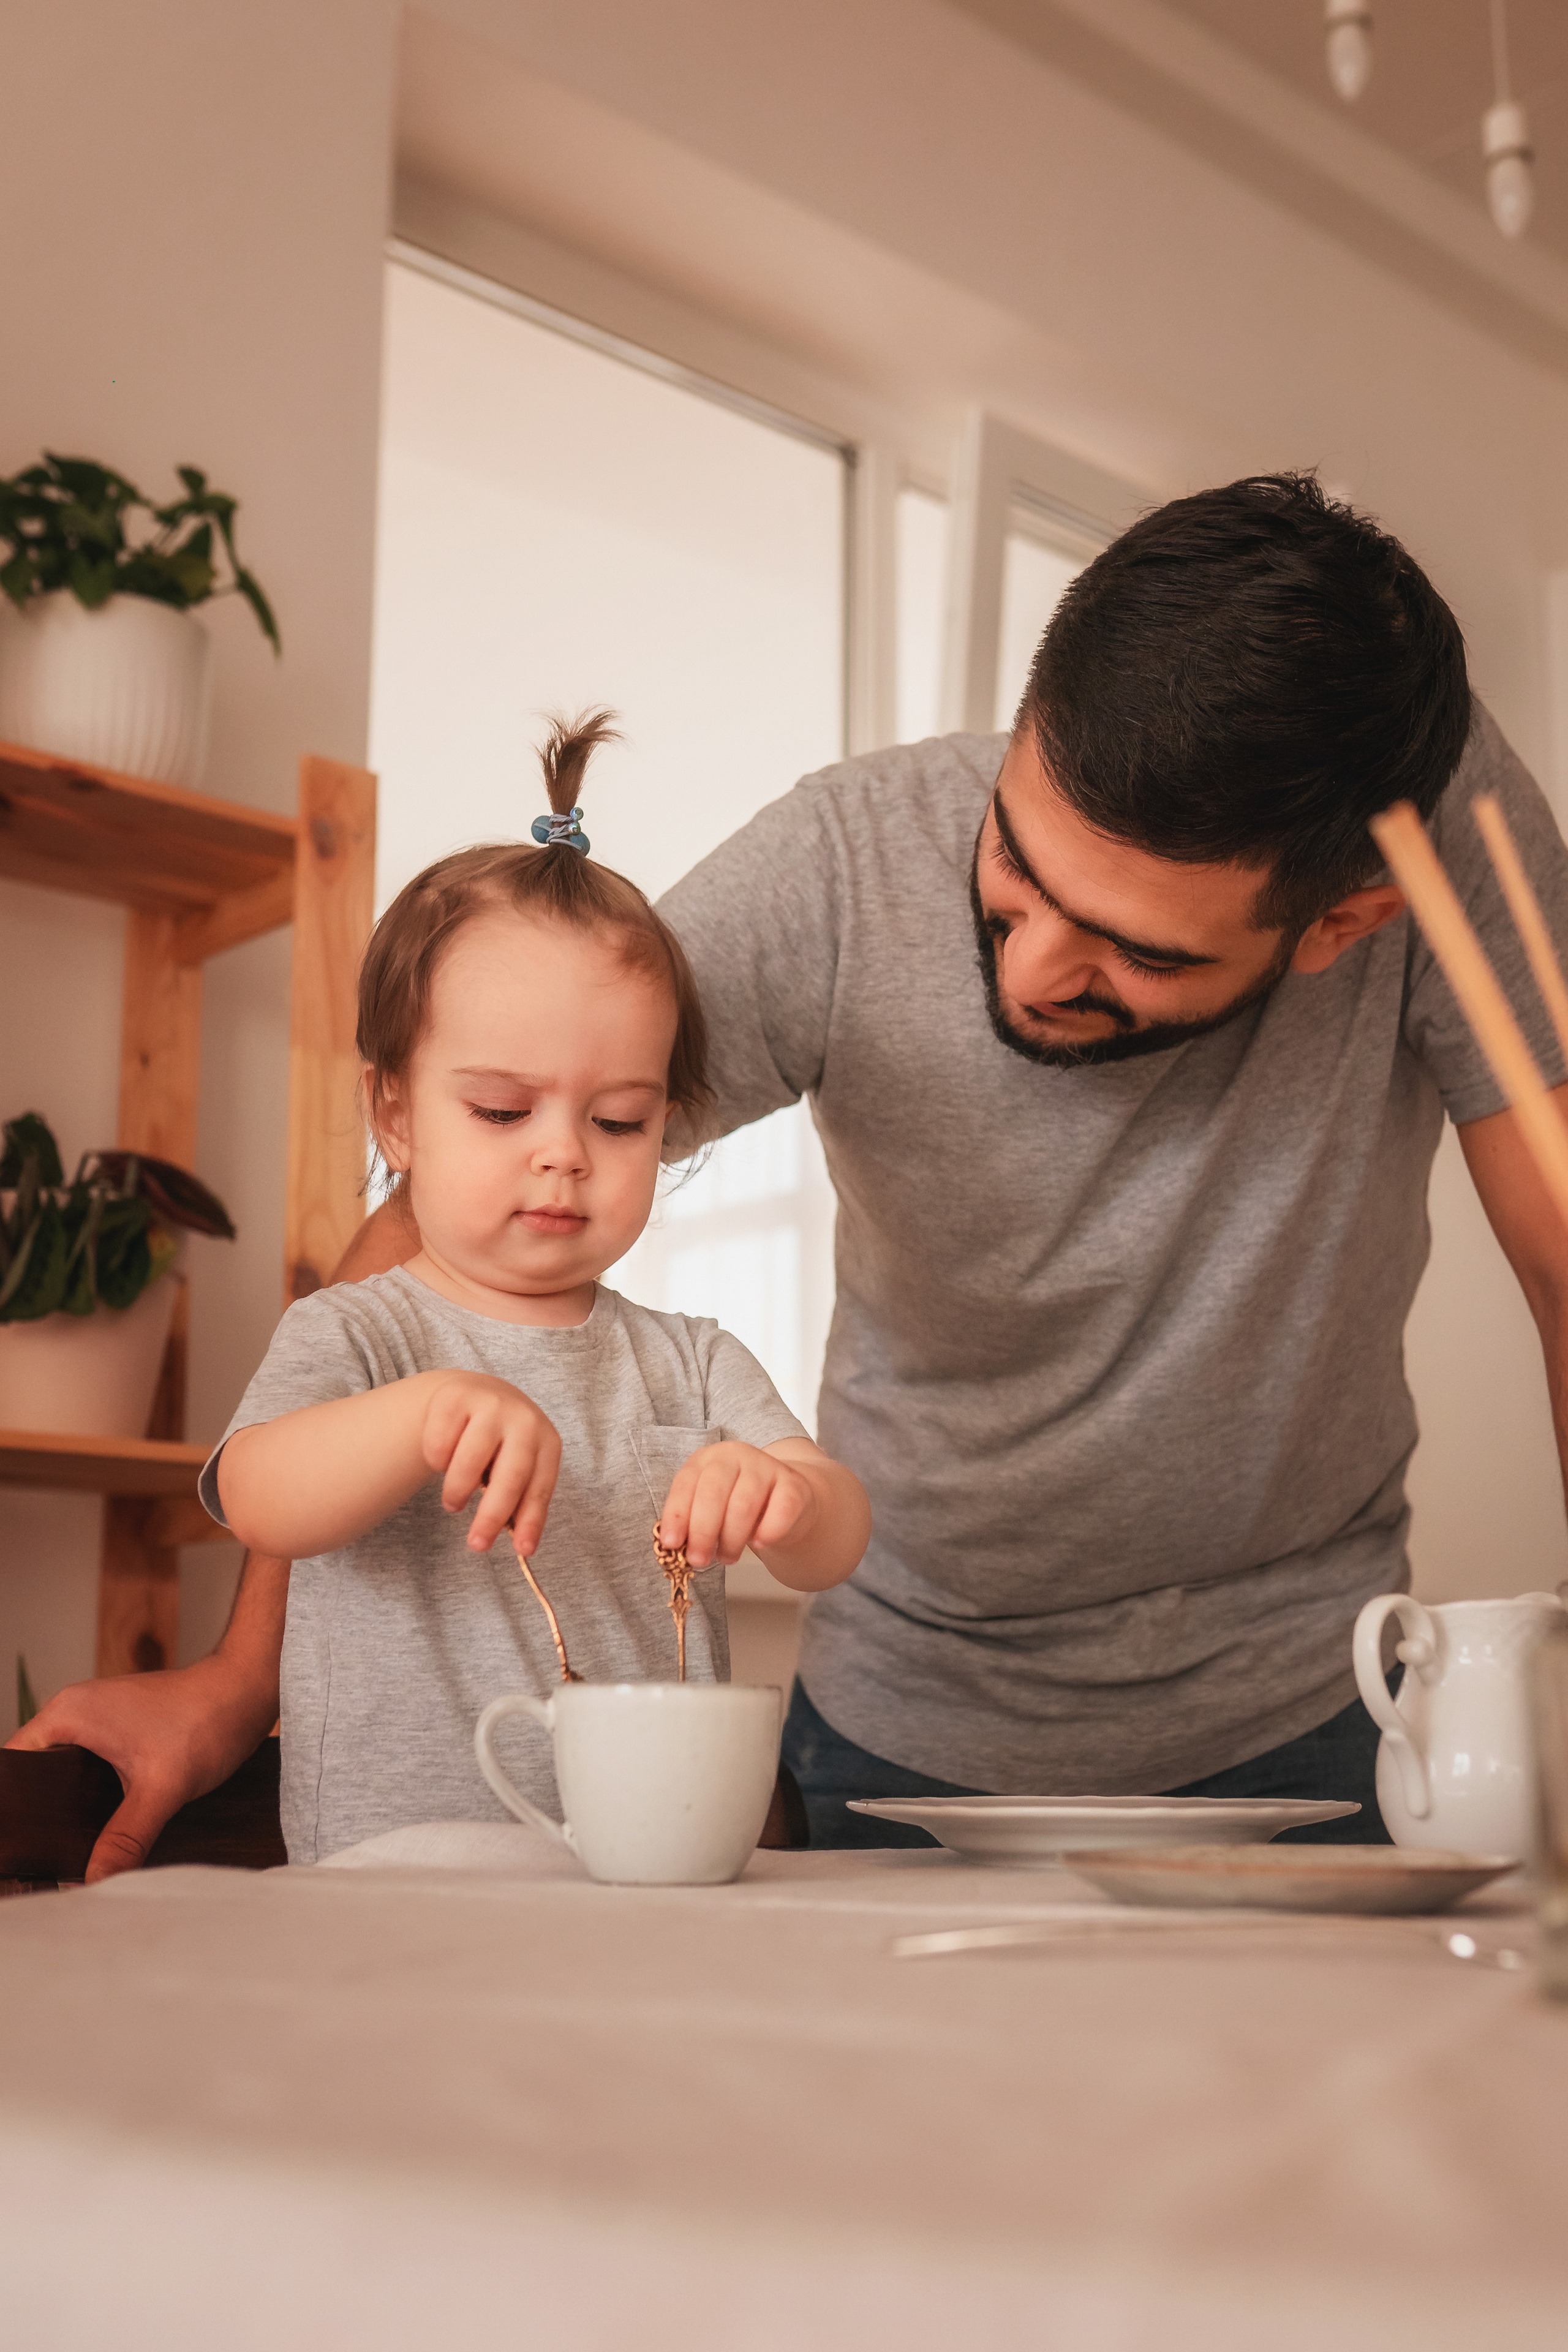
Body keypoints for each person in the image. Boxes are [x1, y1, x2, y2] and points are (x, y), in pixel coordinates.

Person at [17, 473, 1568, 1864]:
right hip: (905, 1735)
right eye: (1014, 864)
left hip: (1305, 1713)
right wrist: (240, 1679)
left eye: (1128, 953)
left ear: (1342, 925)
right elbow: (439, 1247)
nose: (1029, 966)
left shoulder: (1445, 858)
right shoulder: (847, 859)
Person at [194, 713, 868, 1860]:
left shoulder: (690, 1358)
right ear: (395, 1114)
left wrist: (786, 1496)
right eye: (504, 1111)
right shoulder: (360, 1333)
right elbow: (258, 1496)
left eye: (619, 1119)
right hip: (395, 1880)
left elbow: (836, 1536)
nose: (565, 1153)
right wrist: (421, 1415)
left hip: (646, 1879)